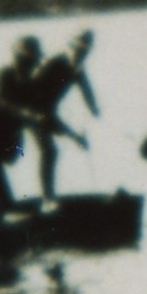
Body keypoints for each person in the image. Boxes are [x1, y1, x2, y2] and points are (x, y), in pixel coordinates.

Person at [0, 37, 79, 216]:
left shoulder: (26, 86)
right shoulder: (2, 76)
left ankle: (0, 219)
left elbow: (46, 118)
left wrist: (74, 135)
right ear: (19, 58)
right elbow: (5, 103)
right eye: (30, 61)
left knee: (5, 203)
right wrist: (32, 115)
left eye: (35, 61)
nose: (34, 66)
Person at [26, 30, 99, 200]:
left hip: (48, 113)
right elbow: (31, 89)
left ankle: (48, 196)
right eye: (78, 51)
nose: (81, 56)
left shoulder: (77, 69)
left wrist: (94, 109)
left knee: (52, 151)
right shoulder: (54, 64)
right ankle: (47, 198)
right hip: (32, 112)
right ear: (70, 47)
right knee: (49, 151)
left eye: (85, 53)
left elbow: (87, 91)